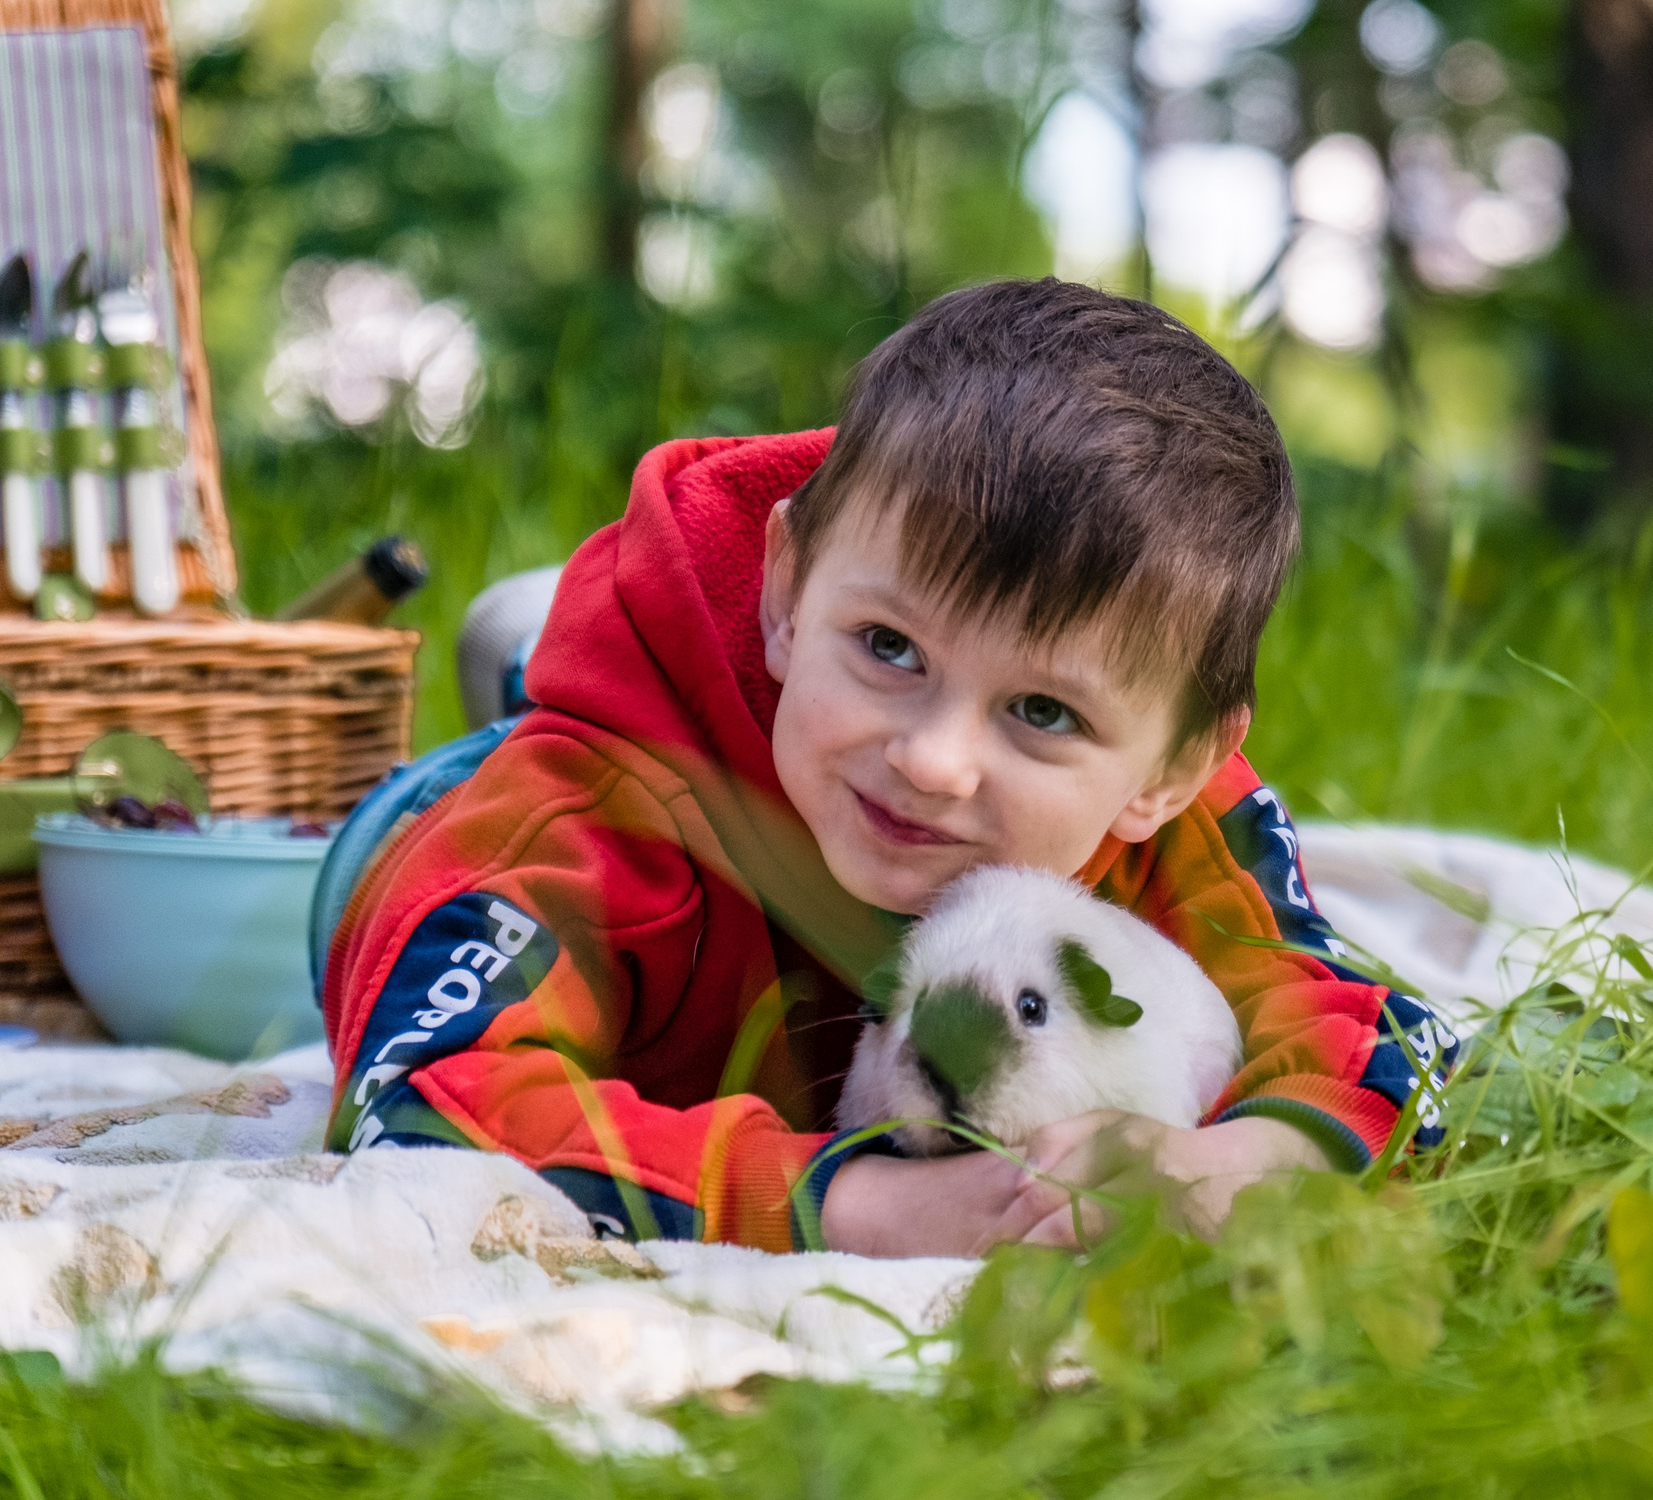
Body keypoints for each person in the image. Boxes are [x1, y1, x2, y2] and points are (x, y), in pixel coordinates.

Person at [318, 279, 1456, 1256]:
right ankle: (532, 649)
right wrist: (853, 1202)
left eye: (1041, 711)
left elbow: (1362, 1032)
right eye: (889, 648)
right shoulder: (585, 804)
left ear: (1171, 763)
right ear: (784, 592)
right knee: (466, 781)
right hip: (460, 816)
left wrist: (1242, 1163)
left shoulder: (1163, 791)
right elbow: (427, 1091)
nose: (934, 761)